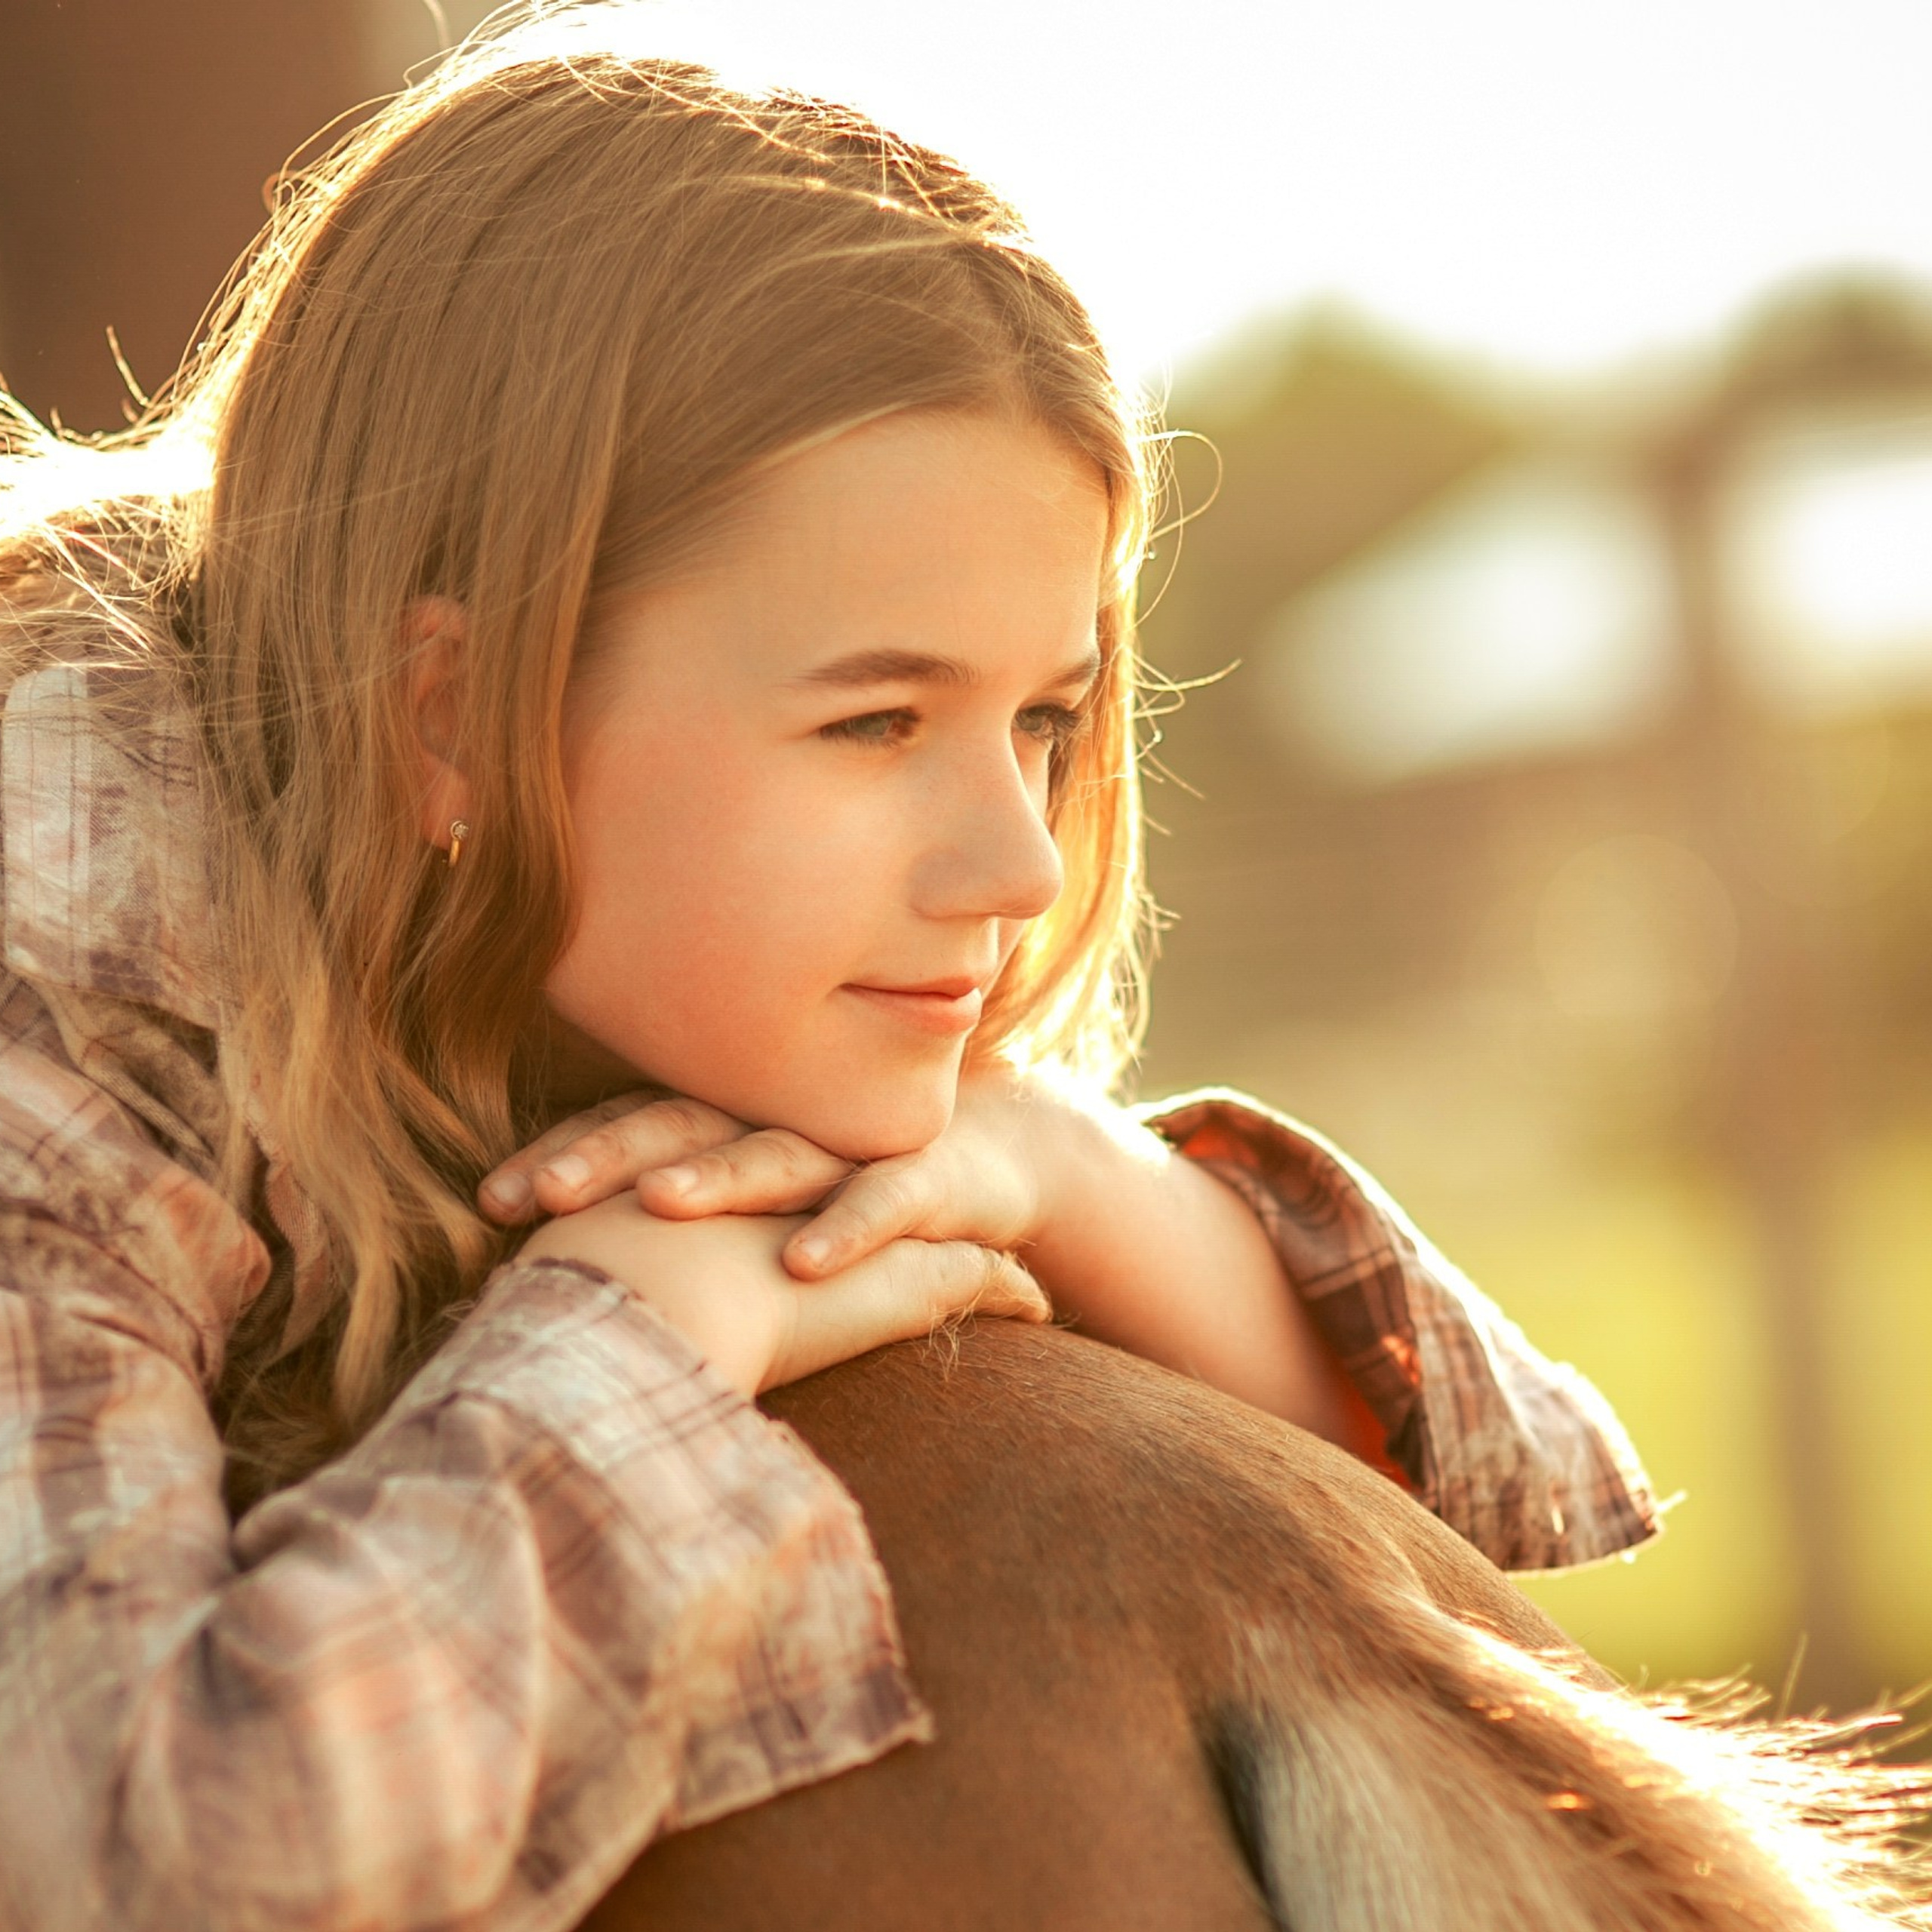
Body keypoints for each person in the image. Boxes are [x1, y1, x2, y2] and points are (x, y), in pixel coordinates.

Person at [0, 9, 1657, 1929]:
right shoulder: (64, 1015)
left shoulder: (643, 939)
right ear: (445, 715)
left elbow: (1484, 1472)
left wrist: (1055, 1166)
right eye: (876, 724)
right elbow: (133, 1864)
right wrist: (646, 1326)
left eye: (1042, 717)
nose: (1020, 859)